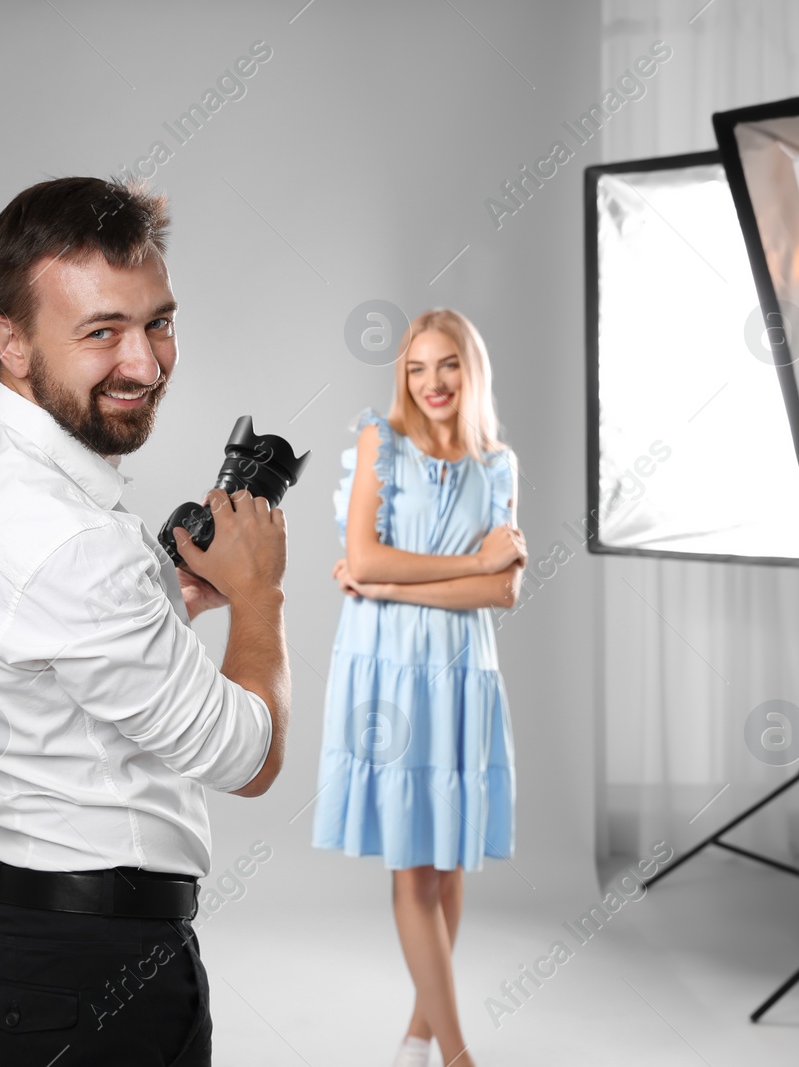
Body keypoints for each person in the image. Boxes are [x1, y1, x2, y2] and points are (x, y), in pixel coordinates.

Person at [0, 175, 291, 1067]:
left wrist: (164, 600)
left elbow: (49, 650)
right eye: (101, 332)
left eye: (157, 320)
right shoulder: (69, 536)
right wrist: (262, 593)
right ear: (10, 340)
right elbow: (251, 757)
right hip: (91, 979)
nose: (146, 364)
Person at [312, 308, 525, 1067]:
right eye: (416, 368)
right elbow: (364, 558)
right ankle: (458, 1056)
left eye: (448, 365)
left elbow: (504, 596)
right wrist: (473, 564)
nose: (432, 382)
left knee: (448, 857)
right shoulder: (381, 442)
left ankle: (417, 1036)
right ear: (401, 377)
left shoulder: (496, 464)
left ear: (472, 371)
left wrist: (389, 582)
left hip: (464, 670)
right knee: (413, 860)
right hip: (392, 674)